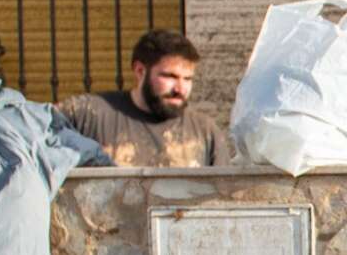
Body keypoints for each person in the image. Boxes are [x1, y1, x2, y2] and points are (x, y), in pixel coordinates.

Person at [56, 29, 230, 167]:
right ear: (140, 71)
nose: (180, 88)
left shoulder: (205, 132)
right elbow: (33, 134)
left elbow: (223, 201)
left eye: (188, 79)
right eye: (170, 76)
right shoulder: (87, 114)